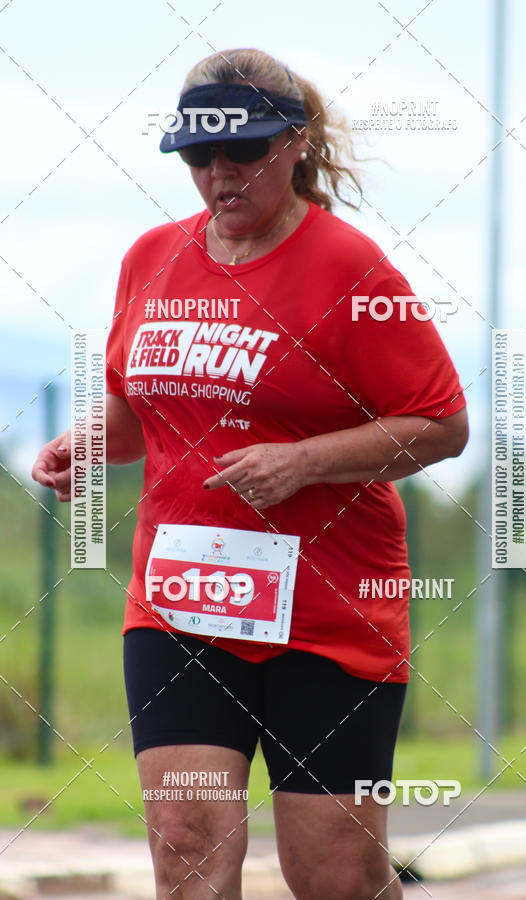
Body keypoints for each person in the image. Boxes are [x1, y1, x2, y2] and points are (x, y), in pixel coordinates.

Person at [32, 48, 468, 900]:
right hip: (183, 599)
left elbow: (442, 425)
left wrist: (304, 462)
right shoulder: (151, 259)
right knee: (185, 844)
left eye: (244, 152)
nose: (220, 175)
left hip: (329, 611)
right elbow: (145, 412)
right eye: (199, 158)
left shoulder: (353, 271)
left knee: (333, 875)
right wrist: (88, 440)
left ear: (296, 143)